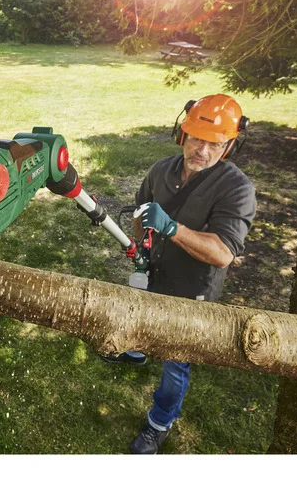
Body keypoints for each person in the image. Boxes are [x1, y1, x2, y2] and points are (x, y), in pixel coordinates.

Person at [111, 94, 257, 454]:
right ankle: (136, 352)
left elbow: (222, 253)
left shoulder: (237, 189)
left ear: (230, 146)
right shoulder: (161, 170)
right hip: (153, 270)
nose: (202, 151)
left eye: (214, 144)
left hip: (193, 290)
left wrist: (172, 228)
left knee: (176, 362)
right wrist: (140, 235)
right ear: (182, 134)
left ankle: (159, 423)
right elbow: (140, 212)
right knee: (141, 316)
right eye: (195, 139)